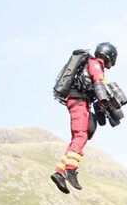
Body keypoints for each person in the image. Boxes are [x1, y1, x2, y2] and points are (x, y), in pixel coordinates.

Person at [50, 42, 118, 194]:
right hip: (79, 102)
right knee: (81, 136)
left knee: (76, 139)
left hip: (77, 101)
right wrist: (104, 100)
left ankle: (59, 172)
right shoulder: (95, 64)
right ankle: (70, 170)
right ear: (107, 55)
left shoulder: (88, 63)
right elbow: (98, 82)